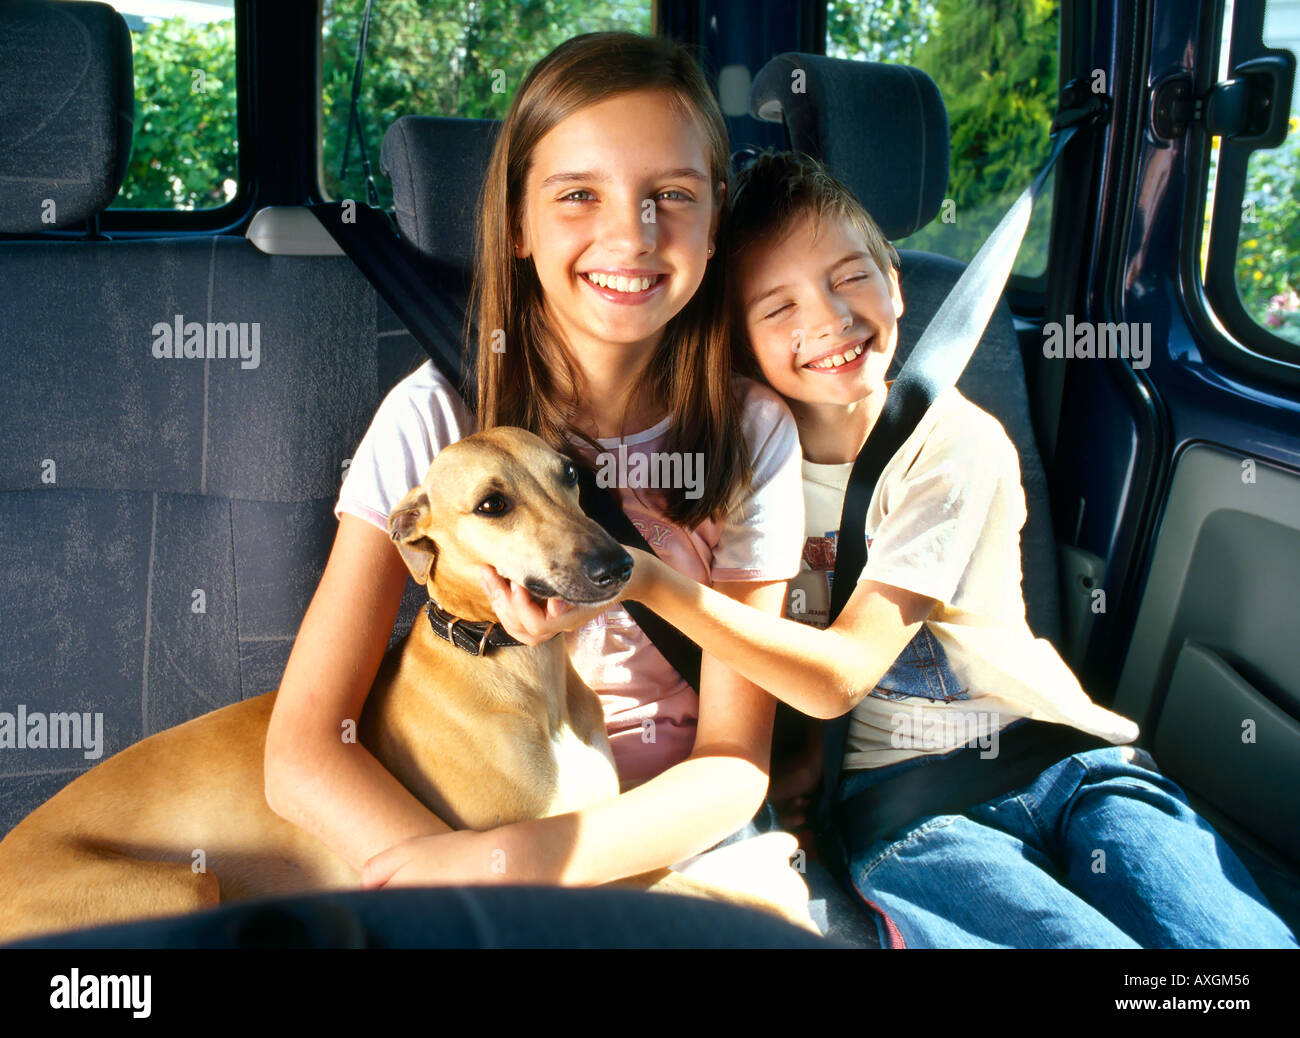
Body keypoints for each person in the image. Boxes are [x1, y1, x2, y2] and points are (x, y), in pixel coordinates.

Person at [486, 149, 1299, 949]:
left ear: (896, 283)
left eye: (849, 278)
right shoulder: (737, 477)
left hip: (1060, 756)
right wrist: (799, 762)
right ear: (736, 342)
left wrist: (647, 583)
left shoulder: (952, 444)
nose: (830, 321)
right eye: (779, 309)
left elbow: (841, 671)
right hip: (905, 804)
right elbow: (757, 669)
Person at [264, 33, 808, 904]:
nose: (630, 235)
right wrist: (473, 882)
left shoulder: (751, 431)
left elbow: (735, 764)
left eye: (671, 194)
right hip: (484, 832)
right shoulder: (433, 421)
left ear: (715, 224)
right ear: (517, 222)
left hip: (676, 833)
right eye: (579, 195)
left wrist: (526, 870)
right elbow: (302, 755)